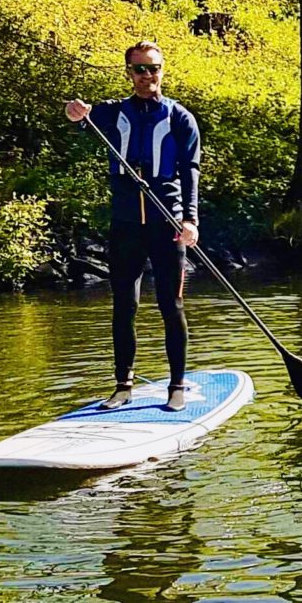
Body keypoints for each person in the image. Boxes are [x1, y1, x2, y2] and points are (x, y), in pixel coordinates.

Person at [64, 42, 201, 410]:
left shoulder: (179, 117)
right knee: (124, 304)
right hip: (125, 223)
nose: (146, 76)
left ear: (162, 70)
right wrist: (75, 113)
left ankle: (176, 387)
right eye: (139, 69)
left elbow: (190, 169)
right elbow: (80, 122)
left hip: (167, 221)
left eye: (152, 68)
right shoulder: (112, 112)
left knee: (171, 305)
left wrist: (190, 218)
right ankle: (123, 386)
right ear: (128, 72)